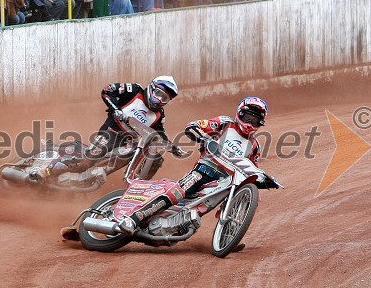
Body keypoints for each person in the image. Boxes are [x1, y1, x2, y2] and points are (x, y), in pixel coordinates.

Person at [118, 96, 277, 235]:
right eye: (248, 118)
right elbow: (196, 125)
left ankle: (231, 233)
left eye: (255, 120)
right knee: (177, 193)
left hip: (224, 183)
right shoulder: (224, 123)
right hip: (203, 170)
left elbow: (251, 169)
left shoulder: (255, 145)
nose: (250, 123)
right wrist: (201, 135)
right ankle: (133, 219)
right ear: (240, 113)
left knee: (203, 210)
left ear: (260, 123)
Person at [30, 76, 186, 180]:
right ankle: (46, 172)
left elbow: (159, 135)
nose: (159, 100)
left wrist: (173, 147)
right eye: (159, 93)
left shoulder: (159, 115)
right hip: (111, 132)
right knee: (87, 161)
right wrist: (115, 109)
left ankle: (136, 189)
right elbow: (107, 90)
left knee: (155, 158)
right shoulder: (134, 91)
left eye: (165, 98)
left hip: (129, 143)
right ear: (152, 88)